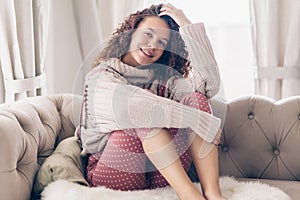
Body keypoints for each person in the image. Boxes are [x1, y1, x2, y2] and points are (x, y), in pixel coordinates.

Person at [78, 3, 224, 200]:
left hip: (161, 175)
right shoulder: (100, 77)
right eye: (148, 34)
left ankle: (213, 193)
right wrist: (199, 120)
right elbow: (136, 107)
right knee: (146, 114)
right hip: (115, 172)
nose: (153, 45)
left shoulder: (164, 79)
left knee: (196, 99)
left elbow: (208, 86)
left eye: (162, 42)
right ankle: (189, 196)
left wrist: (187, 26)